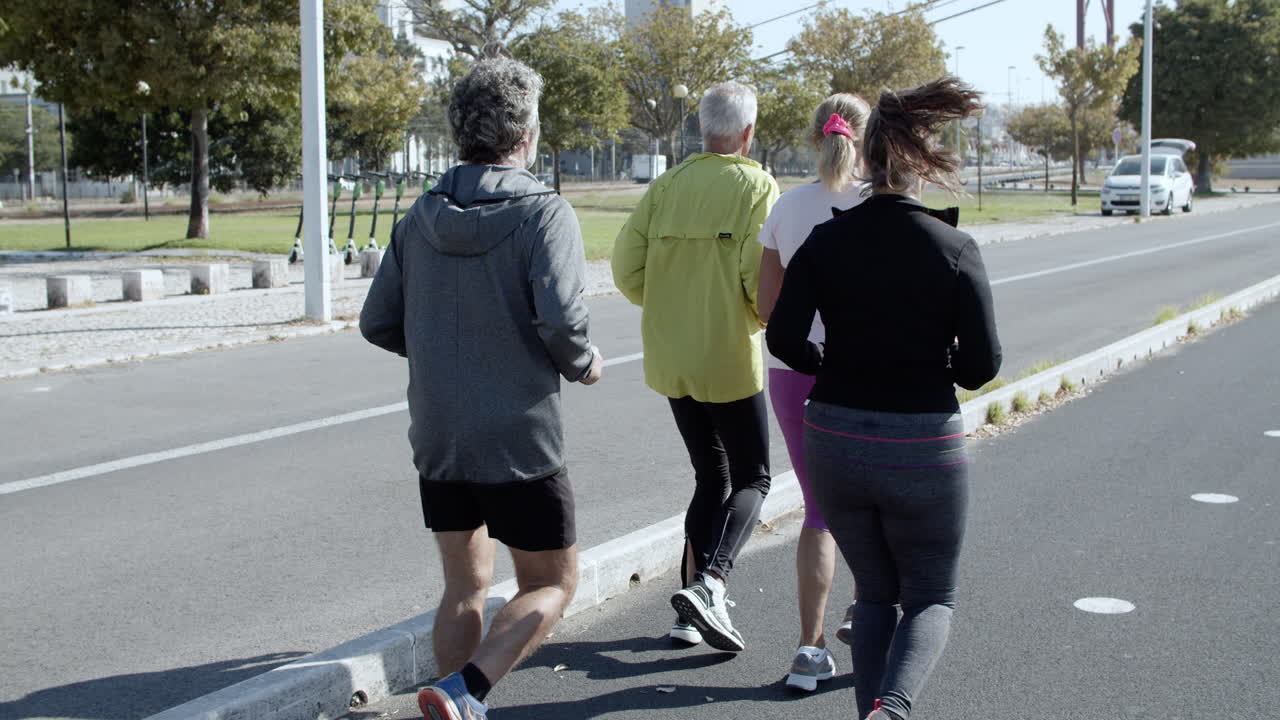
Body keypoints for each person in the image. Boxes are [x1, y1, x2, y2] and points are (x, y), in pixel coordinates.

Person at [359, 57, 603, 720]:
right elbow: (560, 320)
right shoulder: (543, 214)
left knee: (463, 588)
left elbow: (377, 320)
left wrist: (443, 355)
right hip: (518, 436)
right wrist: (583, 364)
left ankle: (457, 704)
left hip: (439, 432)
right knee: (552, 581)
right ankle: (466, 690)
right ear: (524, 134)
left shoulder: (419, 217)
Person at [766, 76, 1001, 720]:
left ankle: (873, 708)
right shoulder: (953, 247)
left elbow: (783, 335)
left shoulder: (826, 238)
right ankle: (892, 707)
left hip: (836, 435)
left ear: (866, 162)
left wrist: (834, 362)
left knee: (874, 594)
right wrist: (930, 365)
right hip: (922, 440)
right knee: (929, 595)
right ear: (922, 165)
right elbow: (983, 365)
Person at [612, 81, 779, 653]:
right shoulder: (756, 185)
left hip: (672, 356)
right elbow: (760, 278)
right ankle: (712, 583)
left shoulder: (666, 185)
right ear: (749, 133)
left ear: (701, 129)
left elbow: (625, 269)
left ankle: (689, 613)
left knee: (712, 478)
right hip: (728, 357)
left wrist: (669, 304)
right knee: (754, 475)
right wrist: (756, 316)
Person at [757, 92, 870, 692]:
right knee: (872, 501)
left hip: (793, 371)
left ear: (813, 136)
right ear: (867, 138)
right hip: (867, 372)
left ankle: (809, 648)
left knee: (818, 510)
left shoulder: (786, 207)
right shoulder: (885, 205)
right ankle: (865, 610)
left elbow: (765, 306)